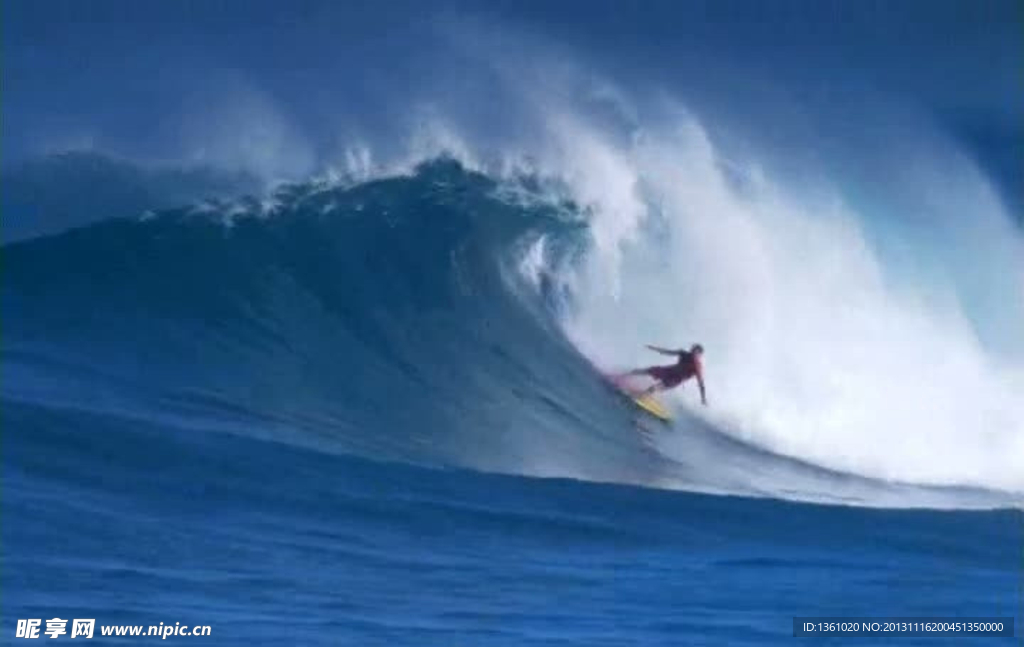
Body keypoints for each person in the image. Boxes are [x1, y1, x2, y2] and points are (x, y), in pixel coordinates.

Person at [624, 343, 706, 405]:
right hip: (668, 370)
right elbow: (668, 352)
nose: (692, 351)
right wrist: (654, 348)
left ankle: (639, 397)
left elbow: (701, 384)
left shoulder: (697, 366)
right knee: (645, 371)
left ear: (699, 354)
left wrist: (703, 398)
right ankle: (623, 375)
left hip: (675, 380)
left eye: (695, 351)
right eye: (693, 349)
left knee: (654, 388)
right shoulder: (683, 353)